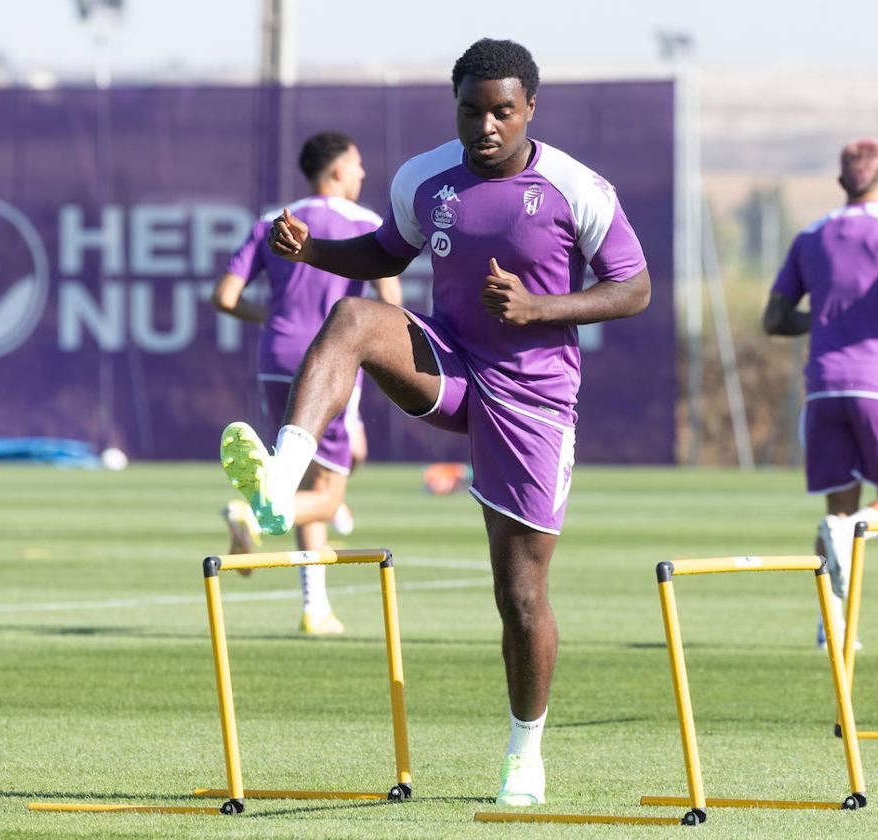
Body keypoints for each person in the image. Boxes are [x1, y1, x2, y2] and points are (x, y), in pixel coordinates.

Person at [219, 38, 649, 806]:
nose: (485, 126)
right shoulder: (425, 177)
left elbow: (634, 287)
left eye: (501, 112)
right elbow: (386, 249)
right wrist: (313, 248)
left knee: (520, 596)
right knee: (354, 318)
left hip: (532, 397)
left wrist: (539, 308)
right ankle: (281, 484)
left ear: (530, 111)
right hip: (449, 365)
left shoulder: (577, 187)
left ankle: (525, 753)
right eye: (471, 110)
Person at [213, 131, 402, 635]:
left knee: (304, 475)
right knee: (329, 495)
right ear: (338, 171)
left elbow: (226, 297)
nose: (363, 174)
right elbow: (392, 307)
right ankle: (249, 515)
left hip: (275, 358)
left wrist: (276, 317)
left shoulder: (274, 222)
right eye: (358, 164)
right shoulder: (367, 224)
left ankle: (315, 607)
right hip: (332, 362)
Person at [762, 137, 878, 648]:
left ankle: (832, 629)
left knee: (835, 511)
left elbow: (774, 319)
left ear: (843, 183)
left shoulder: (810, 236)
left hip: (822, 390)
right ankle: (853, 532)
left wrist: (824, 321)